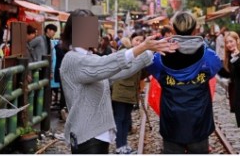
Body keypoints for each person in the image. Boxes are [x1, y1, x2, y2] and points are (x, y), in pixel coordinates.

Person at [61, 10, 177, 154]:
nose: (95, 32)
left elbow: (118, 71)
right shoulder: (73, 59)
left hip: (96, 134)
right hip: (87, 136)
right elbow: (104, 65)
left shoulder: (89, 57)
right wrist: (142, 47)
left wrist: (151, 50)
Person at [146, 12, 222, 154]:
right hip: (199, 121)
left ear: (173, 29)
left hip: (171, 120)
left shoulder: (160, 56)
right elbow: (216, 66)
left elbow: (151, 69)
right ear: (195, 30)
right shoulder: (207, 55)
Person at [111, 31, 147, 155]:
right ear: (131, 40)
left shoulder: (139, 55)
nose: (139, 42)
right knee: (120, 118)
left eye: (141, 40)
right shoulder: (126, 53)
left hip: (130, 91)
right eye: (137, 40)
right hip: (121, 90)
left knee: (126, 118)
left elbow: (141, 74)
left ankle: (124, 144)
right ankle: (119, 146)